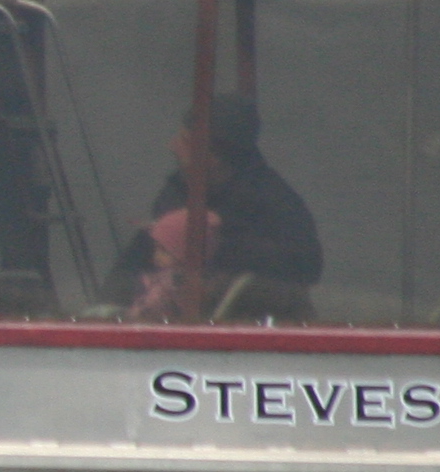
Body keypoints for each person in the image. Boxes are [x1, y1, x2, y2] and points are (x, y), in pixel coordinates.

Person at [114, 94, 323, 320]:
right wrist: (108, 309)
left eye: (185, 141)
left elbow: (305, 267)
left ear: (214, 156)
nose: (172, 146)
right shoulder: (177, 192)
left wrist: (216, 245)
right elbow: (140, 257)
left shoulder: (275, 205)